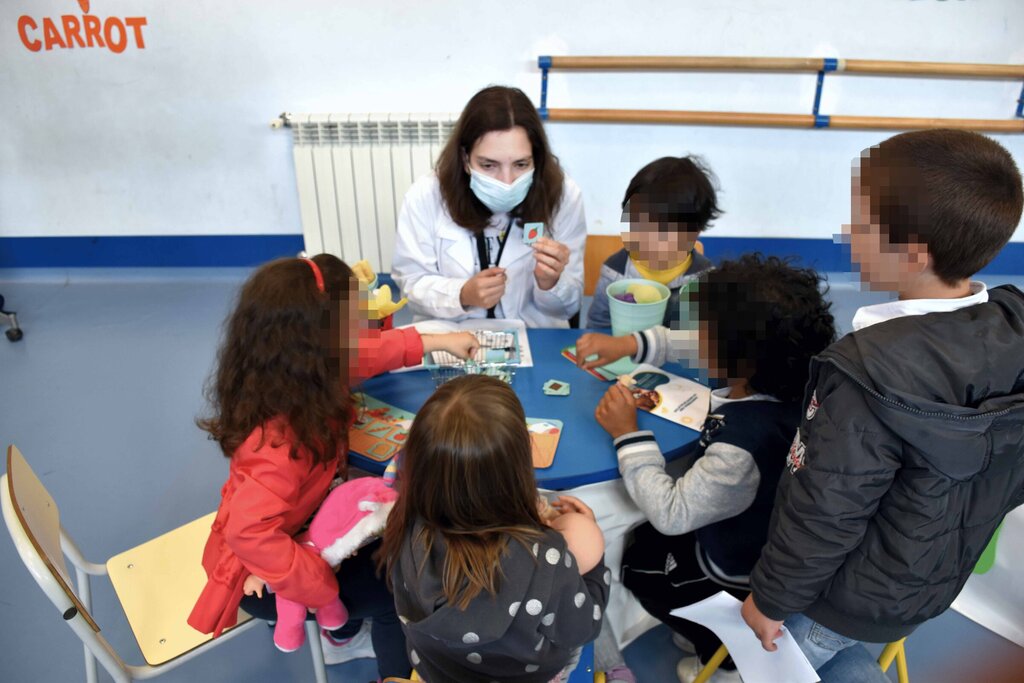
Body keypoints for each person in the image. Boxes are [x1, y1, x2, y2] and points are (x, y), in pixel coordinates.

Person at [741, 129, 1024, 682]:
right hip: (928, 585)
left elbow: (824, 513)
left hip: (836, 595)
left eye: (860, 224)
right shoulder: (1014, 325)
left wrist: (770, 599)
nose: (846, 234)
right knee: (844, 654)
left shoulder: (864, 374)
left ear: (913, 254)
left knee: (778, 665)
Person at [186, 254, 478, 680]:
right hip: (259, 574)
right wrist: (320, 581)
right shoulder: (280, 447)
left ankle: (342, 630)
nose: (365, 332)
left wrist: (438, 342)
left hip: (297, 532)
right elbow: (248, 535)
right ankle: (385, 666)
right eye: (355, 323)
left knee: (384, 532)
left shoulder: (289, 375)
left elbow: (369, 354)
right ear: (321, 343)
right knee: (397, 586)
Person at [583, 254, 836, 683]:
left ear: (738, 357)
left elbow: (672, 513)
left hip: (734, 574)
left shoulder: (742, 447)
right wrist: (628, 345)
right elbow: (686, 342)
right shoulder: (784, 371)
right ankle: (706, 636)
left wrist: (627, 434)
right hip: (751, 534)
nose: (691, 339)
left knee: (636, 563)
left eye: (702, 333)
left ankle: (721, 656)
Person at [378, 375, 609, 682]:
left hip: (436, 671)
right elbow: (583, 626)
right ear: (519, 464)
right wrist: (594, 563)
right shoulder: (546, 559)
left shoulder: (405, 522)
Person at [391, 85, 586, 327]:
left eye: (521, 164)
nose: (507, 182)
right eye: (488, 165)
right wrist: (461, 294)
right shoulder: (425, 195)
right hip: (451, 333)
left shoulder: (564, 195)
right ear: (465, 158)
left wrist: (552, 283)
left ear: (536, 158)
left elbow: (569, 306)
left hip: (533, 333)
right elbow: (411, 284)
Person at [586, 156, 718, 330]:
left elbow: (708, 337)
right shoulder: (614, 273)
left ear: (695, 233)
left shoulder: (704, 279)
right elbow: (597, 327)